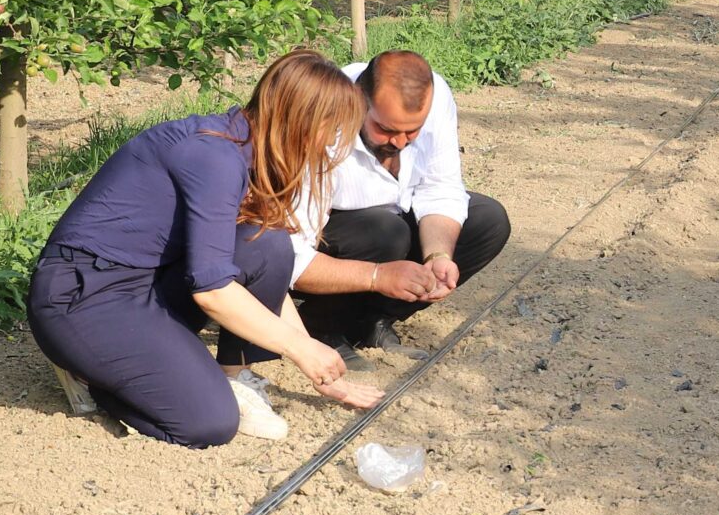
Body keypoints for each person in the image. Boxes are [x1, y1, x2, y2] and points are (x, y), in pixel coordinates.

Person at [29, 50, 382, 447]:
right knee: (208, 423)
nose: (331, 145)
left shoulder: (244, 144)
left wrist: (316, 367)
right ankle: (93, 375)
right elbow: (213, 290)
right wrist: (302, 349)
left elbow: (263, 266)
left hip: (145, 285)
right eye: (331, 130)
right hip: (83, 299)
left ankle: (230, 378)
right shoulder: (213, 157)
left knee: (267, 244)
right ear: (301, 121)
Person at [288, 50, 513, 354]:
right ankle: (319, 324)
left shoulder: (436, 97)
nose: (400, 142)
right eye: (386, 130)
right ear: (358, 99)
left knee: (488, 220)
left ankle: (371, 319)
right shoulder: (322, 117)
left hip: (392, 222)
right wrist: (378, 276)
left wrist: (437, 256)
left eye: (412, 131)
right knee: (386, 232)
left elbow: (441, 187)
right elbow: (291, 255)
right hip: (331, 232)